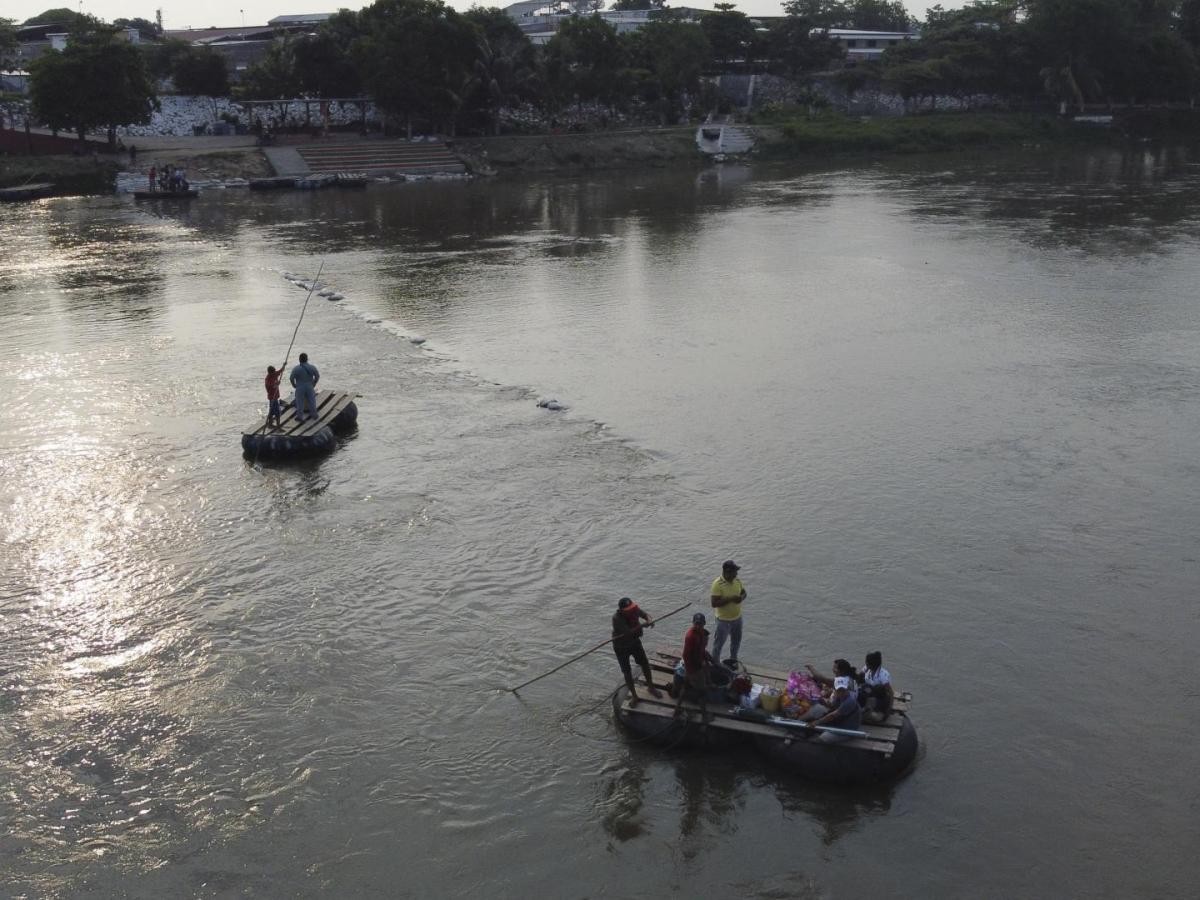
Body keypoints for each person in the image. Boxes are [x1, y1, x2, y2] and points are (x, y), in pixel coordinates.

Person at [611, 597, 661, 706]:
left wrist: (649, 619)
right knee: (627, 671)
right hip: (621, 646)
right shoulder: (616, 618)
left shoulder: (634, 610)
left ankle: (651, 687)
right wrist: (643, 625)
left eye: (631, 608)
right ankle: (634, 696)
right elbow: (628, 632)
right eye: (628, 609)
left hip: (634, 642)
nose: (631, 610)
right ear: (622, 611)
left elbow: (644, 614)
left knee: (644, 663)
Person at [674, 613, 714, 721]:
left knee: (686, 687)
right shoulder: (691, 636)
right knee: (702, 692)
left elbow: (701, 650)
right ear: (693, 623)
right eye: (696, 624)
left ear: (704, 624)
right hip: (694, 669)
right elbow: (686, 655)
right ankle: (705, 717)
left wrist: (708, 658)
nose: (698, 626)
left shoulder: (701, 633)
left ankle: (676, 710)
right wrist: (698, 666)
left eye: (700, 624)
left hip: (691, 668)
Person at [803, 674, 863, 743]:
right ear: (834, 689)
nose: (841, 692)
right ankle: (797, 722)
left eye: (843, 690)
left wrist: (817, 722)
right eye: (838, 690)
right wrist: (821, 700)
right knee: (817, 708)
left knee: (823, 738)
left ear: (847, 688)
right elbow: (831, 706)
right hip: (837, 721)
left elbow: (832, 715)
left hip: (847, 729)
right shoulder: (837, 696)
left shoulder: (850, 701)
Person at [710, 559, 746, 667]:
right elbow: (714, 603)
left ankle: (733, 661)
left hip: (737, 619)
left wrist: (741, 598)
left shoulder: (737, 581)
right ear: (727, 572)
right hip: (723, 621)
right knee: (718, 644)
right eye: (734, 572)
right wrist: (730, 599)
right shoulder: (717, 584)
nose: (736, 574)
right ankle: (715, 664)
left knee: (736, 642)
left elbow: (744, 593)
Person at [855, 651, 894, 723]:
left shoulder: (883, 675)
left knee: (875, 716)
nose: (865, 664)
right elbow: (859, 677)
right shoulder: (866, 668)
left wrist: (888, 710)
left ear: (872, 664)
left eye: (867, 662)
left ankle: (872, 711)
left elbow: (890, 693)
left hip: (880, 697)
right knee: (862, 688)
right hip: (869, 692)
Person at [290, 353, 320, 421]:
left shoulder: (296, 368)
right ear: (307, 359)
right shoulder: (312, 367)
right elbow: (317, 376)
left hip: (300, 386)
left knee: (300, 402)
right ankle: (314, 415)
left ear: (299, 359)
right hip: (309, 385)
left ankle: (300, 417)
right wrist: (314, 383)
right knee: (312, 401)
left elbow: (291, 378)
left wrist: (294, 385)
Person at [264, 362, 286, 429]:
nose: (274, 373)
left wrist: (284, 365)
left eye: (274, 372)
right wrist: (277, 384)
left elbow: (280, 371)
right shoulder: (267, 379)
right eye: (273, 372)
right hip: (272, 398)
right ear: (269, 372)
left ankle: (270, 424)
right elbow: (271, 387)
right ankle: (278, 426)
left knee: (272, 411)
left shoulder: (275, 374)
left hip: (275, 397)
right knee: (276, 412)